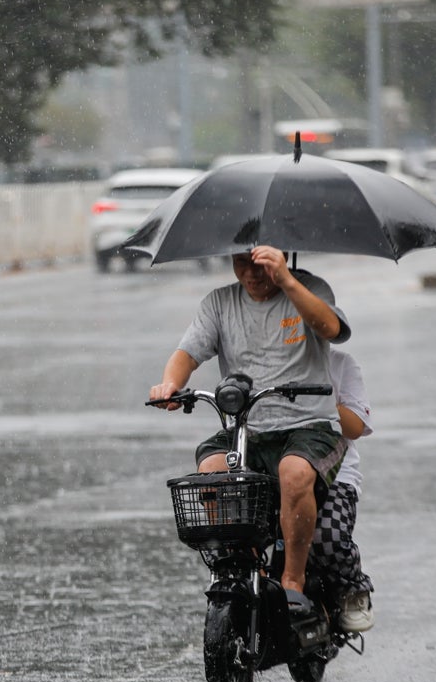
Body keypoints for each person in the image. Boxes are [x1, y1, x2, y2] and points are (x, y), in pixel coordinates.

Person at [149, 245, 350, 601]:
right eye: (241, 263)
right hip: (249, 431)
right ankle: (246, 564)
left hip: (311, 426)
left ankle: (293, 579)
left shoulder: (311, 289)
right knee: (211, 470)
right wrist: (170, 384)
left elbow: (331, 328)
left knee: (294, 472)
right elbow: (188, 353)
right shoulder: (219, 303)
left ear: (282, 257)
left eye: (260, 264)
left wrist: (286, 281)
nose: (251, 274)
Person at [312, 347, 375, 632]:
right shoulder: (260, 362)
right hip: (271, 468)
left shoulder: (341, 364)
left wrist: (312, 399)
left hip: (333, 474)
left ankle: (353, 589)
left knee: (328, 537)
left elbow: (355, 426)